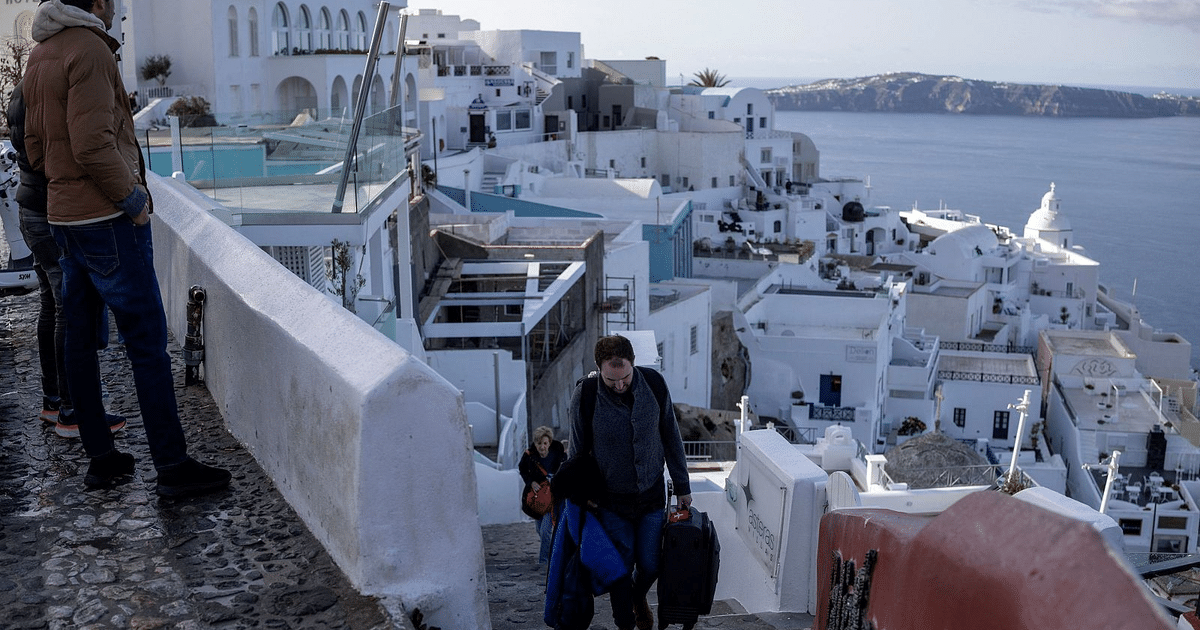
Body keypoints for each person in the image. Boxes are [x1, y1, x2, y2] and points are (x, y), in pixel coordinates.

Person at [23, 0, 230, 497]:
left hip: (63, 216)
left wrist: (62, 185)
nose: (117, 12)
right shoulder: (89, 49)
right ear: (96, 4)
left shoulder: (41, 53)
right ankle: (172, 467)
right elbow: (92, 141)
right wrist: (133, 200)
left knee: (78, 338)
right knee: (147, 344)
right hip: (105, 218)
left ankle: (102, 459)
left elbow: (33, 145)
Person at [7, 79, 127, 438]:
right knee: (70, 310)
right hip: (49, 208)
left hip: (29, 205)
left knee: (51, 303)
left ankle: (54, 400)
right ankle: (74, 412)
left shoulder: (24, 87)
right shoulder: (50, 90)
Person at [568, 334, 691, 630]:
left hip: (650, 496)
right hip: (609, 501)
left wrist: (682, 486)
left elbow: (671, 437)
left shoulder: (655, 384)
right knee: (619, 569)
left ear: (633, 364)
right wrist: (579, 495)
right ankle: (625, 621)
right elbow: (576, 452)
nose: (619, 386)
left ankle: (638, 598)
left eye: (624, 378)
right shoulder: (585, 396)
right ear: (599, 368)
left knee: (650, 564)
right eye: (612, 381)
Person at [519, 425, 566, 564]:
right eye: (539, 443)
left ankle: (544, 561)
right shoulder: (529, 456)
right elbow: (522, 469)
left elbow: (566, 466)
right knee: (540, 530)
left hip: (551, 498)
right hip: (537, 498)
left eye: (545, 443)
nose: (542, 447)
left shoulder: (557, 454)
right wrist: (530, 482)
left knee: (546, 531)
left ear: (549, 443)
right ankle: (554, 552)